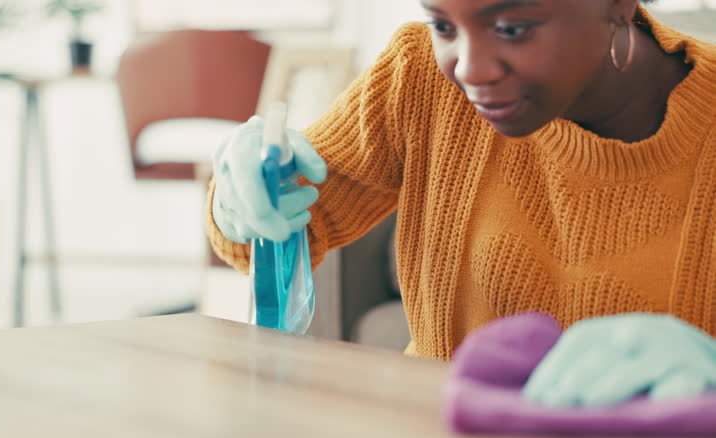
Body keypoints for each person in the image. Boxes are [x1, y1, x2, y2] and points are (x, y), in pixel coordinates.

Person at [206, 0, 716, 408]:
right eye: (443, 25)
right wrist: (241, 200)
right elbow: (271, 236)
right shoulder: (418, 74)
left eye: (513, 28)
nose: (471, 69)